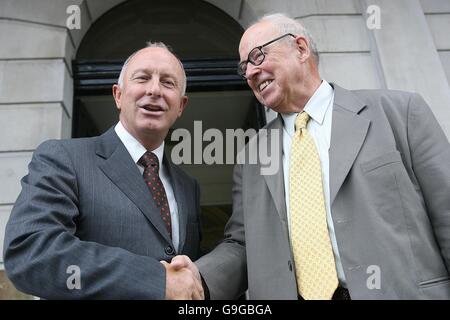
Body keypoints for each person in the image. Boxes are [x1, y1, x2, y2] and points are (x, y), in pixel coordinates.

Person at [171, 13, 450, 300]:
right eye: (244, 68)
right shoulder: (253, 156)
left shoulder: (399, 113)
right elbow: (243, 243)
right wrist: (198, 277)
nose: (251, 73)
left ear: (301, 48)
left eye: (257, 57)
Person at [3, 42, 204, 300]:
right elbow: (30, 252)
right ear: (118, 95)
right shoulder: (64, 158)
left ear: (181, 106)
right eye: (142, 78)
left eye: (168, 83)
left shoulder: (189, 186)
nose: (154, 90)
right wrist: (155, 279)